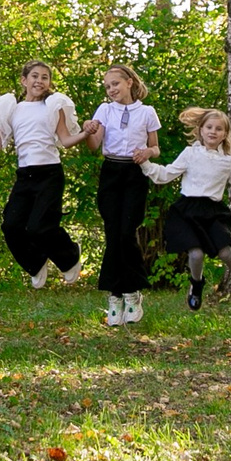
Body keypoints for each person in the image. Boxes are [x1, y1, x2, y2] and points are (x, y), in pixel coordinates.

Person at [136, 107, 231, 312]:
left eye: (219, 129)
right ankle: (196, 285)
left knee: (225, 252)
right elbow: (167, 174)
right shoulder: (190, 154)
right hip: (187, 210)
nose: (213, 131)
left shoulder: (227, 161)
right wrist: (145, 164)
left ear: (225, 134)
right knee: (195, 255)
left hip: (212, 211)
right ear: (200, 130)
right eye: (209, 127)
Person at [0, 60, 86, 288]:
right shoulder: (12, 109)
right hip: (25, 176)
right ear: (24, 80)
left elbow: (65, 141)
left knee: (39, 227)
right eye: (35, 76)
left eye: (45, 77)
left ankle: (70, 256)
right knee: (11, 226)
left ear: (49, 83)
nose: (40, 81)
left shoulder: (52, 106)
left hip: (49, 174)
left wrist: (86, 133)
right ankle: (35, 263)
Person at [85, 65, 162, 324]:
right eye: (107, 87)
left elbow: (156, 148)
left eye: (116, 84)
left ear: (130, 82)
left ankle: (130, 293)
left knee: (127, 231)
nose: (111, 90)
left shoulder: (147, 112)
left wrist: (147, 153)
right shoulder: (105, 110)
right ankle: (117, 296)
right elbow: (95, 146)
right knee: (113, 231)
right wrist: (88, 131)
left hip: (135, 172)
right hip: (111, 172)